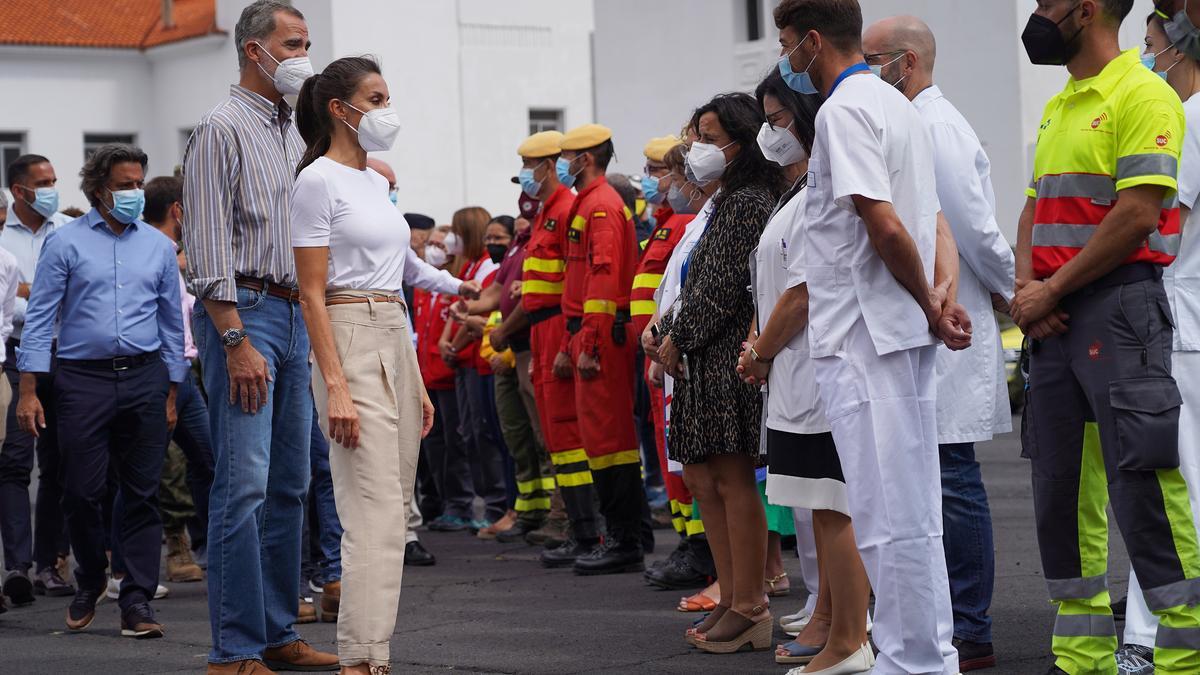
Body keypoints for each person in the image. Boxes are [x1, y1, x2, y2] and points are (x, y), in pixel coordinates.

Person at [775, 0, 976, 672]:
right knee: (912, 515)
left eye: (785, 44)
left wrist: (927, 300)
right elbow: (932, 222)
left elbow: (884, 224)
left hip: (865, 337)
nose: (786, 60)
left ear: (810, 40)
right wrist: (938, 297)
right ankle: (925, 652)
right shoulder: (898, 105)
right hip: (895, 336)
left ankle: (912, 659)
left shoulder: (844, 110)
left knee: (886, 519)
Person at [1013, 1, 1200, 673]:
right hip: (1057, 321)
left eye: (1046, 3)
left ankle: (1184, 656)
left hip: (1119, 310)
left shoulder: (1143, 93)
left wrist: (1049, 291)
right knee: (1060, 490)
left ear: (1085, 9)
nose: (1037, 14)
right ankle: (1082, 653)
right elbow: (1033, 205)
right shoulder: (1060, 104)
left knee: (1144, 482)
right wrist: (1028, 295)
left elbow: (1139, 211)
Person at [291, 55, 478, 674]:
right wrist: (336, 386)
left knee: (393, 510)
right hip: (346, 332)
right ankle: (359, 658)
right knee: (368, 509)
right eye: (375, 98)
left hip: (393, 334)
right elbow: (312, 292)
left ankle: (374, 654)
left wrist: (418, 377)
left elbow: (401, 273)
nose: (386, 109)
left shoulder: (373, 181)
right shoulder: (315, 181)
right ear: (339, 109)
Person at [181, 1, 338, 671]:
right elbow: (208, 242)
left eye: (306, 42)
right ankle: (234, 647)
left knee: (289, 484)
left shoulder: (292, 130)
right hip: (243, 310)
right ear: (255, 50)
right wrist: (233, 335)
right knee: (242, 485)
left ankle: (277, 632)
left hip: (293, 312)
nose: (305, 54)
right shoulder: (221, 128)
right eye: (294, 42)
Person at [863, 16, 1016, 672]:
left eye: (872, 60)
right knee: (937, 477)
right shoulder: (911, 122)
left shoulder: (933, 126)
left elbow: (971, 230)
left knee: (952, 476)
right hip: (933, 318)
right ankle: (954, 619)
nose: (863, 71)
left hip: (953, 319)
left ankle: (972, 626)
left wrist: (1021, 293)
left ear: (907, 62)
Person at [15, 143, 185, 639]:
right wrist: (29, 391)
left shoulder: (157, 246)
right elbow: (41, 317)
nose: (134, 193)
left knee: (142, 494)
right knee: (82, 491)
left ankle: (136, 600)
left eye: (138, 184)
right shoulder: (65, 244)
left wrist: (172, 388)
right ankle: (90, 577)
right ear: (96, 189)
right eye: (124, 185)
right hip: (80, 379)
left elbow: (172, 323)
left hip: (144, 376)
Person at [732, 70, 871, 672]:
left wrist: (761, 350)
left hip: (812, 366)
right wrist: (759, 344)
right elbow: (774, 286)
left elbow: (805, 289)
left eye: (778, 117)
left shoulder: (821, 185)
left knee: (832, 507)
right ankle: (831, 622)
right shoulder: (798, 189)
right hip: (789, 366)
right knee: (818, 509)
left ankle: (850, 639)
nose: (769, 131)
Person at [651, 93, 782, 654]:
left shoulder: (751, 200)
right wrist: (668, 333)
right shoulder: (725, 201)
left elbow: (725, 284)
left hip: (724, 355)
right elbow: (691, 282)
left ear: (742, 139)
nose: (697, 149)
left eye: (709, 137)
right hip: (698, 358)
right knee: (704, 480)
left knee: (731, 480)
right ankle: (731, 596)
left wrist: (676, 336)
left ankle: (750, 602)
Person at [1118, 15, 1200, 674]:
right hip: (1188, 323)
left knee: (1172, 489)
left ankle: (1150, 637)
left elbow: (1163, 231)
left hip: (1178, 328)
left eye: (1149, 48)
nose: (1147, 59)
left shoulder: (1189, 121)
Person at [557, 123, 647, 576]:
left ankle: (625, 539)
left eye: (566, 155)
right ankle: (629, 533)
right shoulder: (590, 203)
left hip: (602, 336)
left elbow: (604, 278)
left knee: (610, 441)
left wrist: (587, 341)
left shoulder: (600, 207)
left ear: (585, 159)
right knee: (602, 438)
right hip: (590, 332)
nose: (561, 163)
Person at [516, 130, 601, 563]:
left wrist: (570, 339)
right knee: (556, 434)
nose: (525, 174)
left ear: (550, 167)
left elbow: (576, 281)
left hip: (557, 328)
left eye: (531, 166)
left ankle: (584, 530)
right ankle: (577, 529)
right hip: (541, 331)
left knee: (569, 433)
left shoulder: (565, 209)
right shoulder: (548, 211)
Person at [635, 136, 712, 592]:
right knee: (671, 458)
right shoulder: (669, 221)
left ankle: (699, 547)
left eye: (659, 170)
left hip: (674, 352)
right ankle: (689, 540)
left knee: (684, 458)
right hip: (658, 350)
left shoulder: (685, 219)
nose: (655, 180)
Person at [450, 213, 555, 543]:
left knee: (544, 440)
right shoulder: (517, 251)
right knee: (517, 440)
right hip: (507, 351)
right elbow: (499, 295)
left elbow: (529, 300)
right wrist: (468, 309)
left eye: (500, 237)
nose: (493, 244)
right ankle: (530, 509)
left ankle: (559, 514)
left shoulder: (537, 244)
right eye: (489, 238)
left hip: (520, 350)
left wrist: (499, 334)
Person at [0, 153, 74, 604]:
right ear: (18, 190)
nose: (50, 189)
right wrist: (37, 294)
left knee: (59, 463)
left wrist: (32, 291)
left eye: (53, 180)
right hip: (12, 353)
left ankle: (49, 562)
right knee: (14, 461)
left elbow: (69, 294)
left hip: (62, 354)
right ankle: (18, 566)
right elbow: (9, 305)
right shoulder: (2, 239)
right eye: (42, 182)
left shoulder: (68, 230)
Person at [142, 176, 215, 584]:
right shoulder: (153, 252)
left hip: (185, 374)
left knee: (208, 461)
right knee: (151, 470)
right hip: (155, 372)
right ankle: (129, 566)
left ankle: (211, 546)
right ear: (178, 211)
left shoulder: (179, 254)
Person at [439, 206, 509, 532]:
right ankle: (494, 505)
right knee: (471, 435)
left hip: (482, 361)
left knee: (487, 435)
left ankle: (497, 506)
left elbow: (479, 315)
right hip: (467, 362)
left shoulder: (488, 269)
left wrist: (455, 342)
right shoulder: (472, 266)